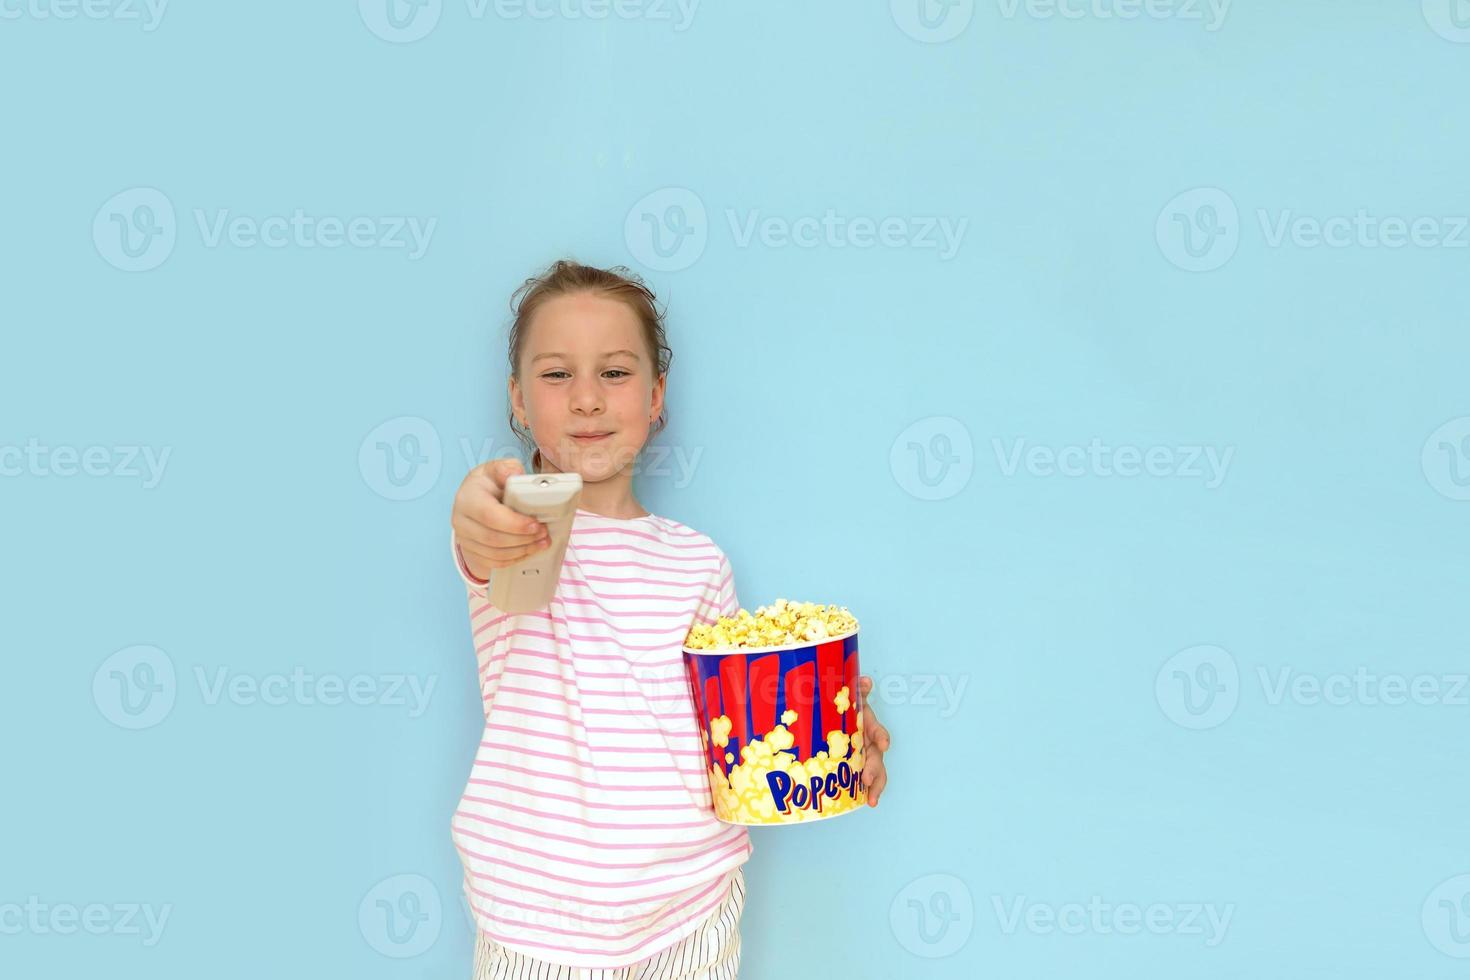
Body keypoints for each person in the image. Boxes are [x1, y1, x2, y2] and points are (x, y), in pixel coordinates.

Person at [448, 259, 892, 978]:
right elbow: (480, 519)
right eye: (557, 375)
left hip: (692, 912)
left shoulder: (698, 563)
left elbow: (742, 728)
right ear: (518, 400)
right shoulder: (518, 532)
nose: (587, 399)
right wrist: (488, 498)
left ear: (656, 397)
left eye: (615, 373)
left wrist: (831, 733)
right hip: (537, 925)